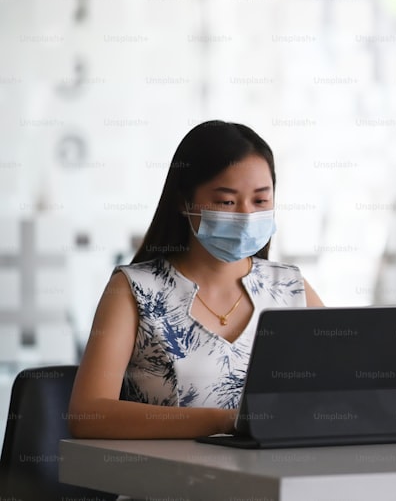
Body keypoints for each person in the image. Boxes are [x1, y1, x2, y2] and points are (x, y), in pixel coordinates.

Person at [69, 120, 324, 438]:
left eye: (260, 201)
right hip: (167, 484)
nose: (246, 216)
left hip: (276, 481)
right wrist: (225, 421)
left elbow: (345, 390)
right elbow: (87, 414)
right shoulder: (134, 290)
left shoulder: (291, 288)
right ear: (183, 201)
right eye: (226, 202)